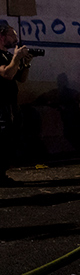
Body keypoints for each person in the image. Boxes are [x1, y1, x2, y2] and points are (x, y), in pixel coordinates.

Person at [0, 25, 33, 186]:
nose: (16, 40)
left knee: (11, 138)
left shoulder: (7, 56)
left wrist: (26, 63)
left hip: (11, 104)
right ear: (2, 37)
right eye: (12, 36)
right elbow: (7, 74)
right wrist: (16, 57)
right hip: (0, 105)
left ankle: (2, 173)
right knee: (3, 138)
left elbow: (21, 78)